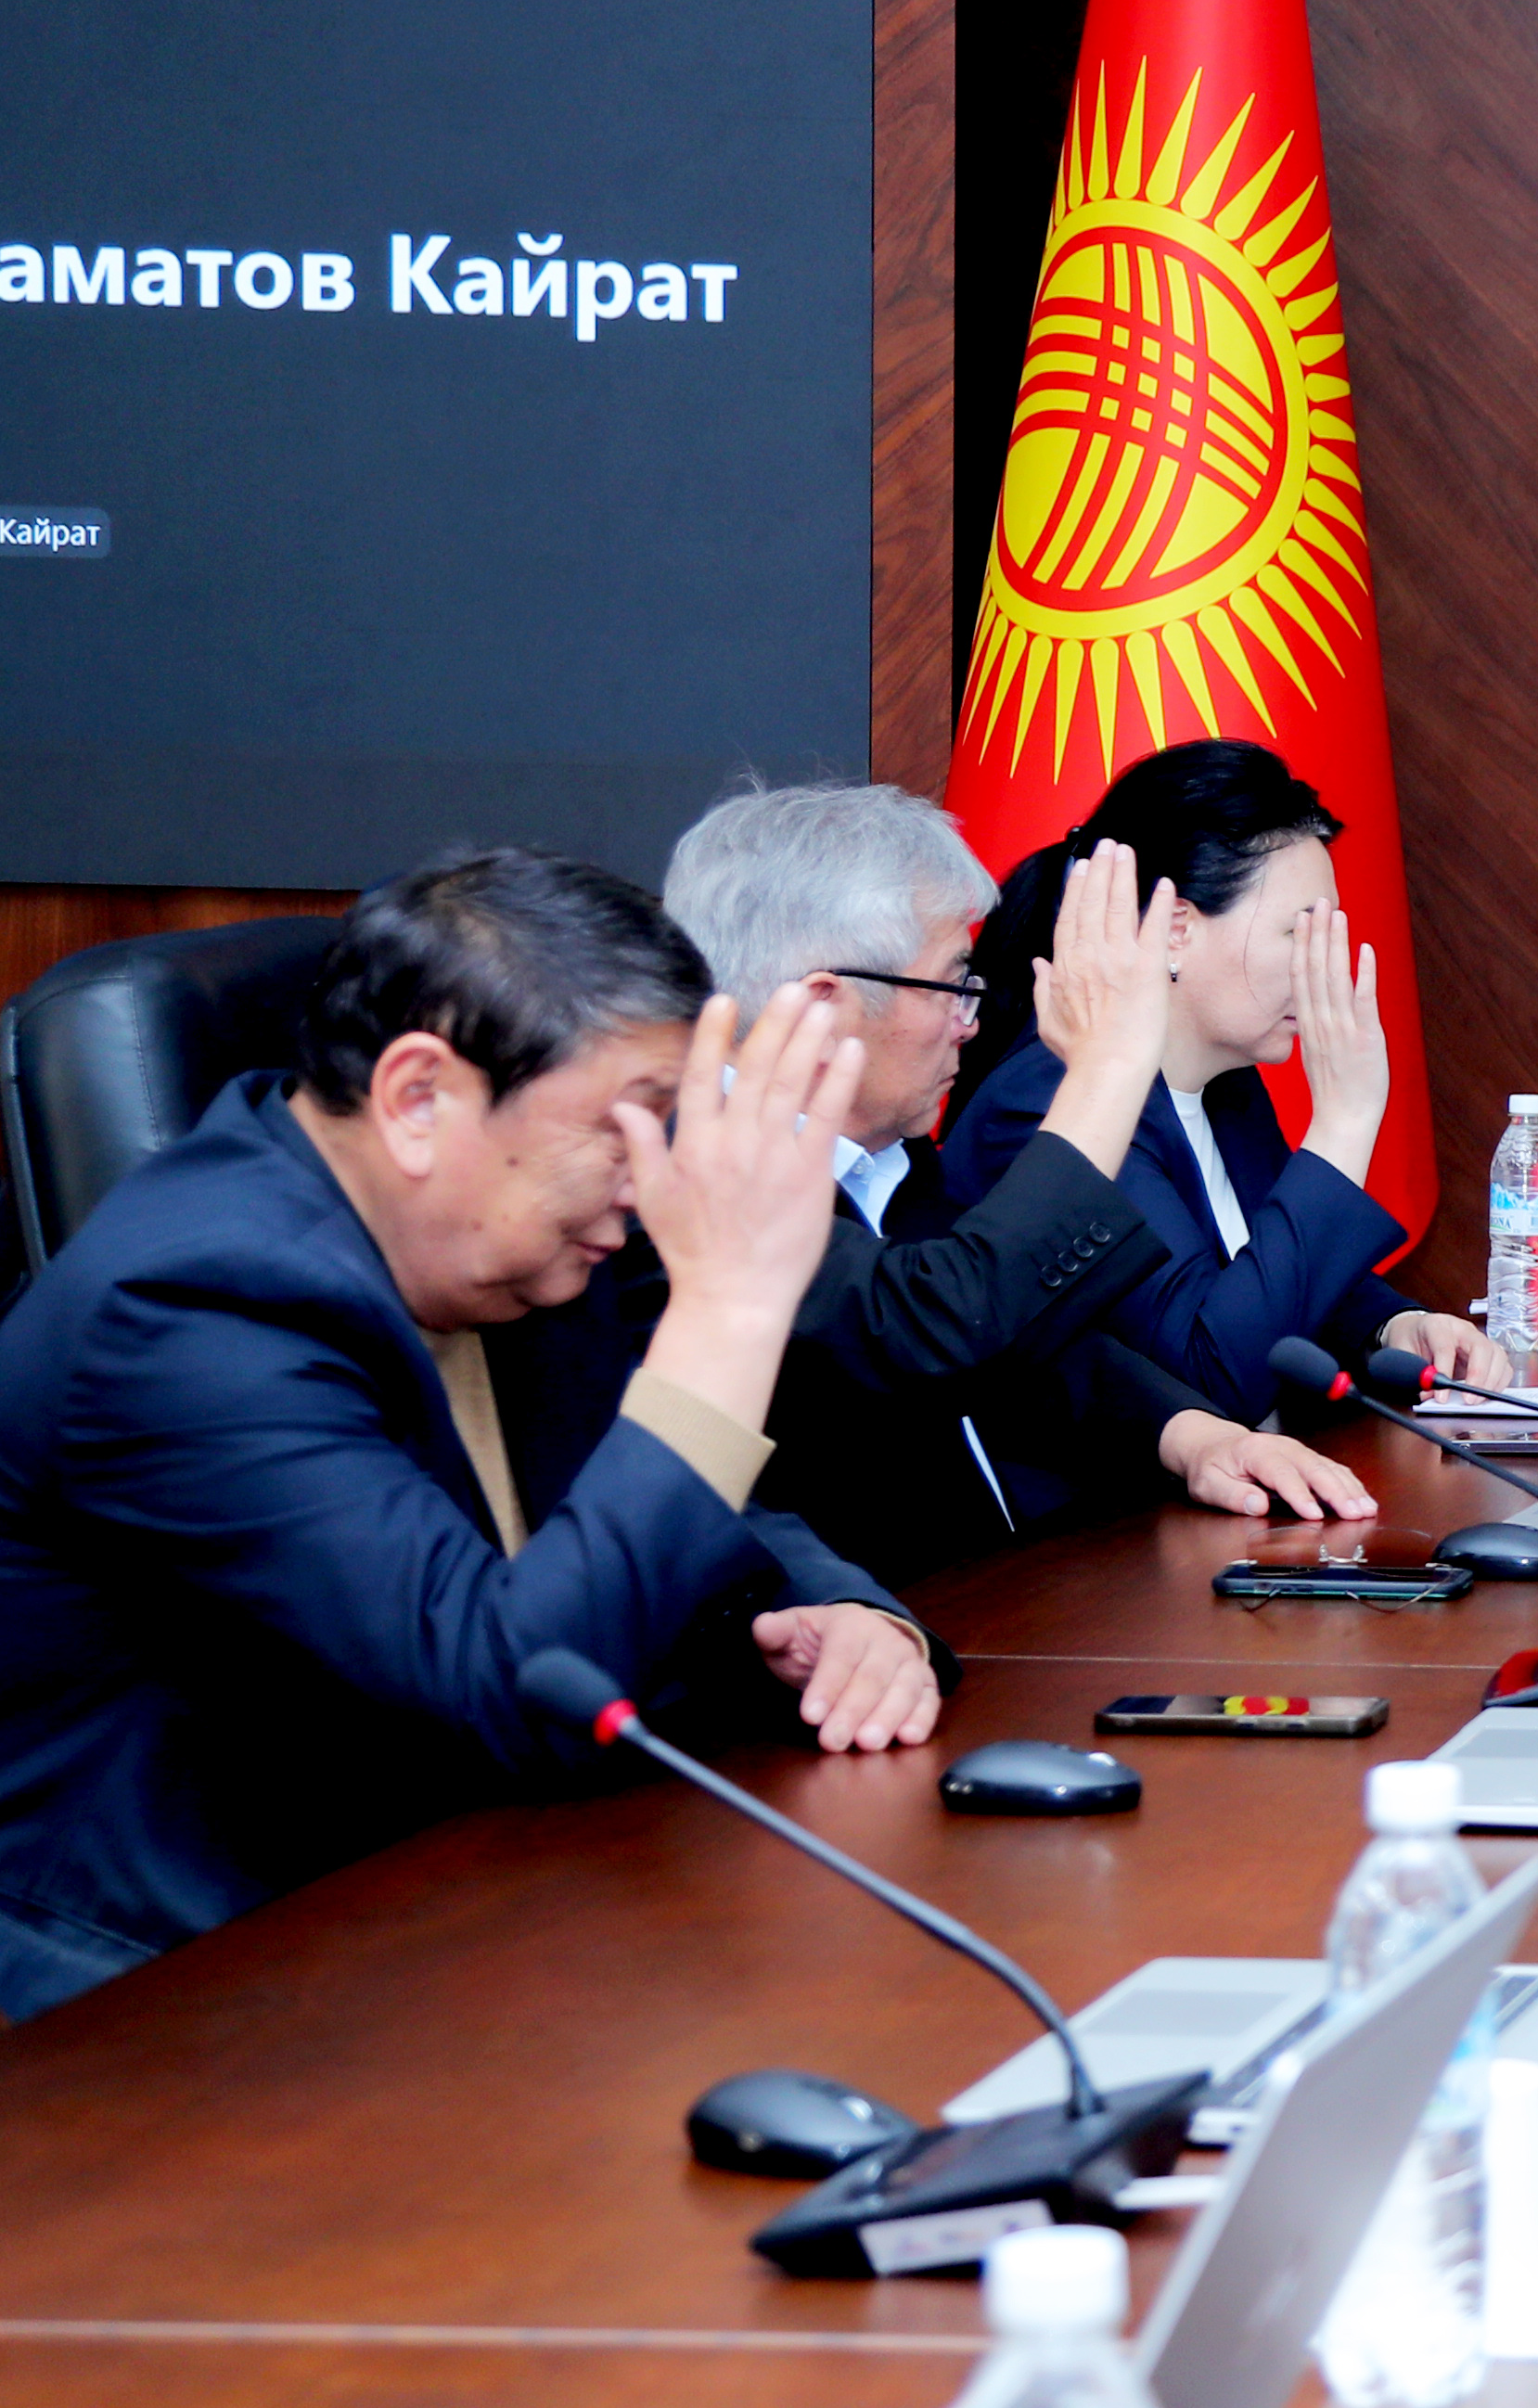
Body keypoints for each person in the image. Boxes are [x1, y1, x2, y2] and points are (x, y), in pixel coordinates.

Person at [0, 852, 939, 2020]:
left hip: (450, 1902)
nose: (653, 1185)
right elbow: (505, 1690)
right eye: (631, 1126)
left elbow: (651, 1480)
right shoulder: (190, 1310)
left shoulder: (504, 1241)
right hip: (160, 2000)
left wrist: (843, 1612)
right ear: (418, 1099)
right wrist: (733, 1307)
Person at [660, 785, 1369, 1580]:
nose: (971, 1022)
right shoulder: (701, 1172)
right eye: (952, 985)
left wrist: (1196, 1438)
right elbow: (939, 1319)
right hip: (847, 1624)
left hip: (1002, 1599)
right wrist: (1107, 1068)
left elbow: (1022, 1349)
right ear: (823, 1008)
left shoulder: (886, 1157)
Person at [938, 739, 1487, 1422]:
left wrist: (1394, 1326)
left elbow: (1278, 1270)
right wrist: (1343, 1123)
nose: (1323, 966)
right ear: (1176, 930)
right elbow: (1213, 1376)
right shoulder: (1059, 1101)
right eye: (1298, 933)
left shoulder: (1228, 1086)